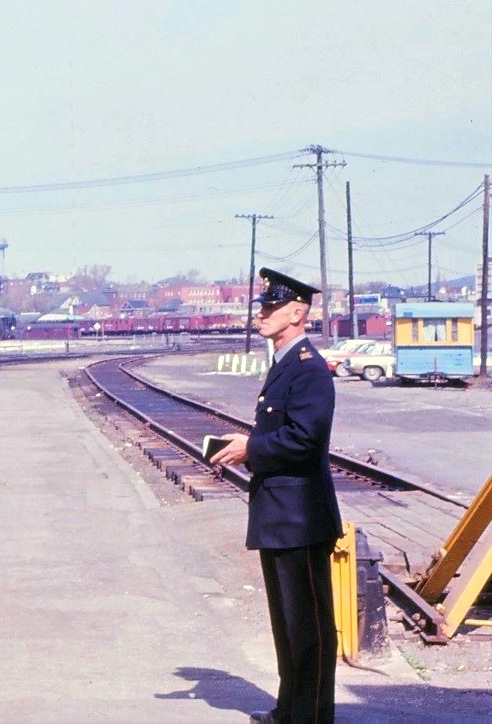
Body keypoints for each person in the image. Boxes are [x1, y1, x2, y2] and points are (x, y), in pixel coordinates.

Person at [210, 268, 342, 723]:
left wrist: (252, 447)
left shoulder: (308, 369)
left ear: (297, 313)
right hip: (281, 514)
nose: (261, 315)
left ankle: (311, 716)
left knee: (309, 627)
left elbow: (306, 438)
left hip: (300, 516)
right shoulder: (287, 362)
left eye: (270, 308)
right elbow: (283, 430)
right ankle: (292, 711)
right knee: (288, 626)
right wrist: (247, 440)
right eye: (263, 307)